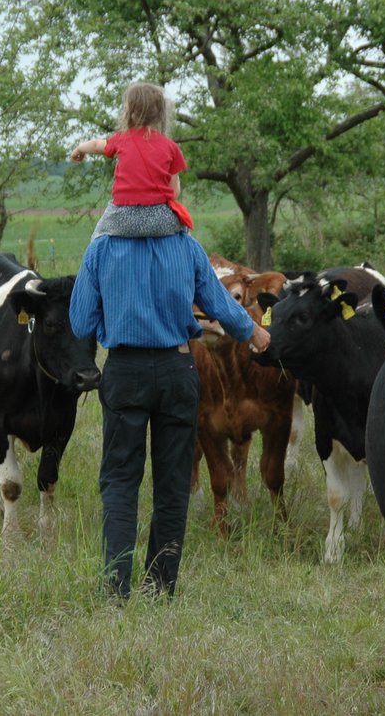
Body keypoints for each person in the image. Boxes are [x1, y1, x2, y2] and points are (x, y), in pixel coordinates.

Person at [69, 230, 271, 601]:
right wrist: (253, 331)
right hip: (176, 367)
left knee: (120, 481)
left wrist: (113, 326)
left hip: (125, 369)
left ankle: (116, 590)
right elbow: (222, 307)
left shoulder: (101, 246)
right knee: (173, 482)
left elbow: (80, 322)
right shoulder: (186, 246)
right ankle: (159, 589)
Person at [69, 81, 194, 240]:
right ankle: (198, 264)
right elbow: (174, 192)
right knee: (186, 236)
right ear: (161, 114)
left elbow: (95, 144)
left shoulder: (122, 139)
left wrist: (79, 149)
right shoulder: (172, 147)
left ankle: (89, 264)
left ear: (129, 112)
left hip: (121, 218)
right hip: (160, 220)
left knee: (96, 241)